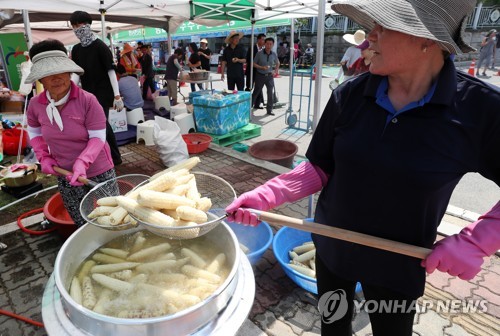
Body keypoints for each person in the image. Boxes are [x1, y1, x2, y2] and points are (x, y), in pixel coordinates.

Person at [226, 0, 500, 335]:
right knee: (334, 327)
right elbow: (321, 167)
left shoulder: (480, 109)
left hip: (399, 264)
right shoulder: (350, 95)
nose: (370, 35)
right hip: (332, 249)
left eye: (384, 25)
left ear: (426, 38)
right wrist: (267, 195)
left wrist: (478, 240)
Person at [25, 39, 116, 228]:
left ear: (69, 71)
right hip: (64, 172)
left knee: (112, 217)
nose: (56, 78)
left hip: (98, 170)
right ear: (40, 79)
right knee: (79, 217)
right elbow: (34, 133)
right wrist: (44, 157)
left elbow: (98, 137)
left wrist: (82, 162)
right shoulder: (35, 105)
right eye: (48, 74)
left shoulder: (87, 100)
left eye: (61, 71)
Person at [69, 10, 124, 166]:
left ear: (87, 25)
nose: (76, 29)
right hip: (87, 92)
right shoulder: (77, 49)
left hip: (103, 92)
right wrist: (70, 89)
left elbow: (111, 70)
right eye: (73, 26)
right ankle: (105, 153)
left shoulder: (100, 46)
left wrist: (117, 95)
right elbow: (77, 72)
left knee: (101, 124)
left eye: (78, 25)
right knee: (95, 125)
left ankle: (114, 156)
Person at [251, 37, 280, 116]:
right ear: (265, 44)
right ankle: (248, 108)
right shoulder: (259, 53)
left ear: (273, 45)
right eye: (267, 44)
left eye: (271, 44)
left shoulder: (273, 54)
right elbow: (253, 63)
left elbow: (277, 63)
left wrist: (276, 71)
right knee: (256, 91)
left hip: (269, 76)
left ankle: (269, 110)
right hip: (260, 75)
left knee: (270, 93)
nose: (269, 45)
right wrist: (261, 67)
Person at [246, 33, 266, 108]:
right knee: (249, 86)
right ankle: (246, 102)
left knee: (259, 87)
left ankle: (257, 104)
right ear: (258, 40)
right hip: (251, 70)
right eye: (263, 39)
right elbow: (248, 59)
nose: (264, 41)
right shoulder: (252, 48)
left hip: (260, 71)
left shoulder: (264, 50)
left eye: (264, 39)